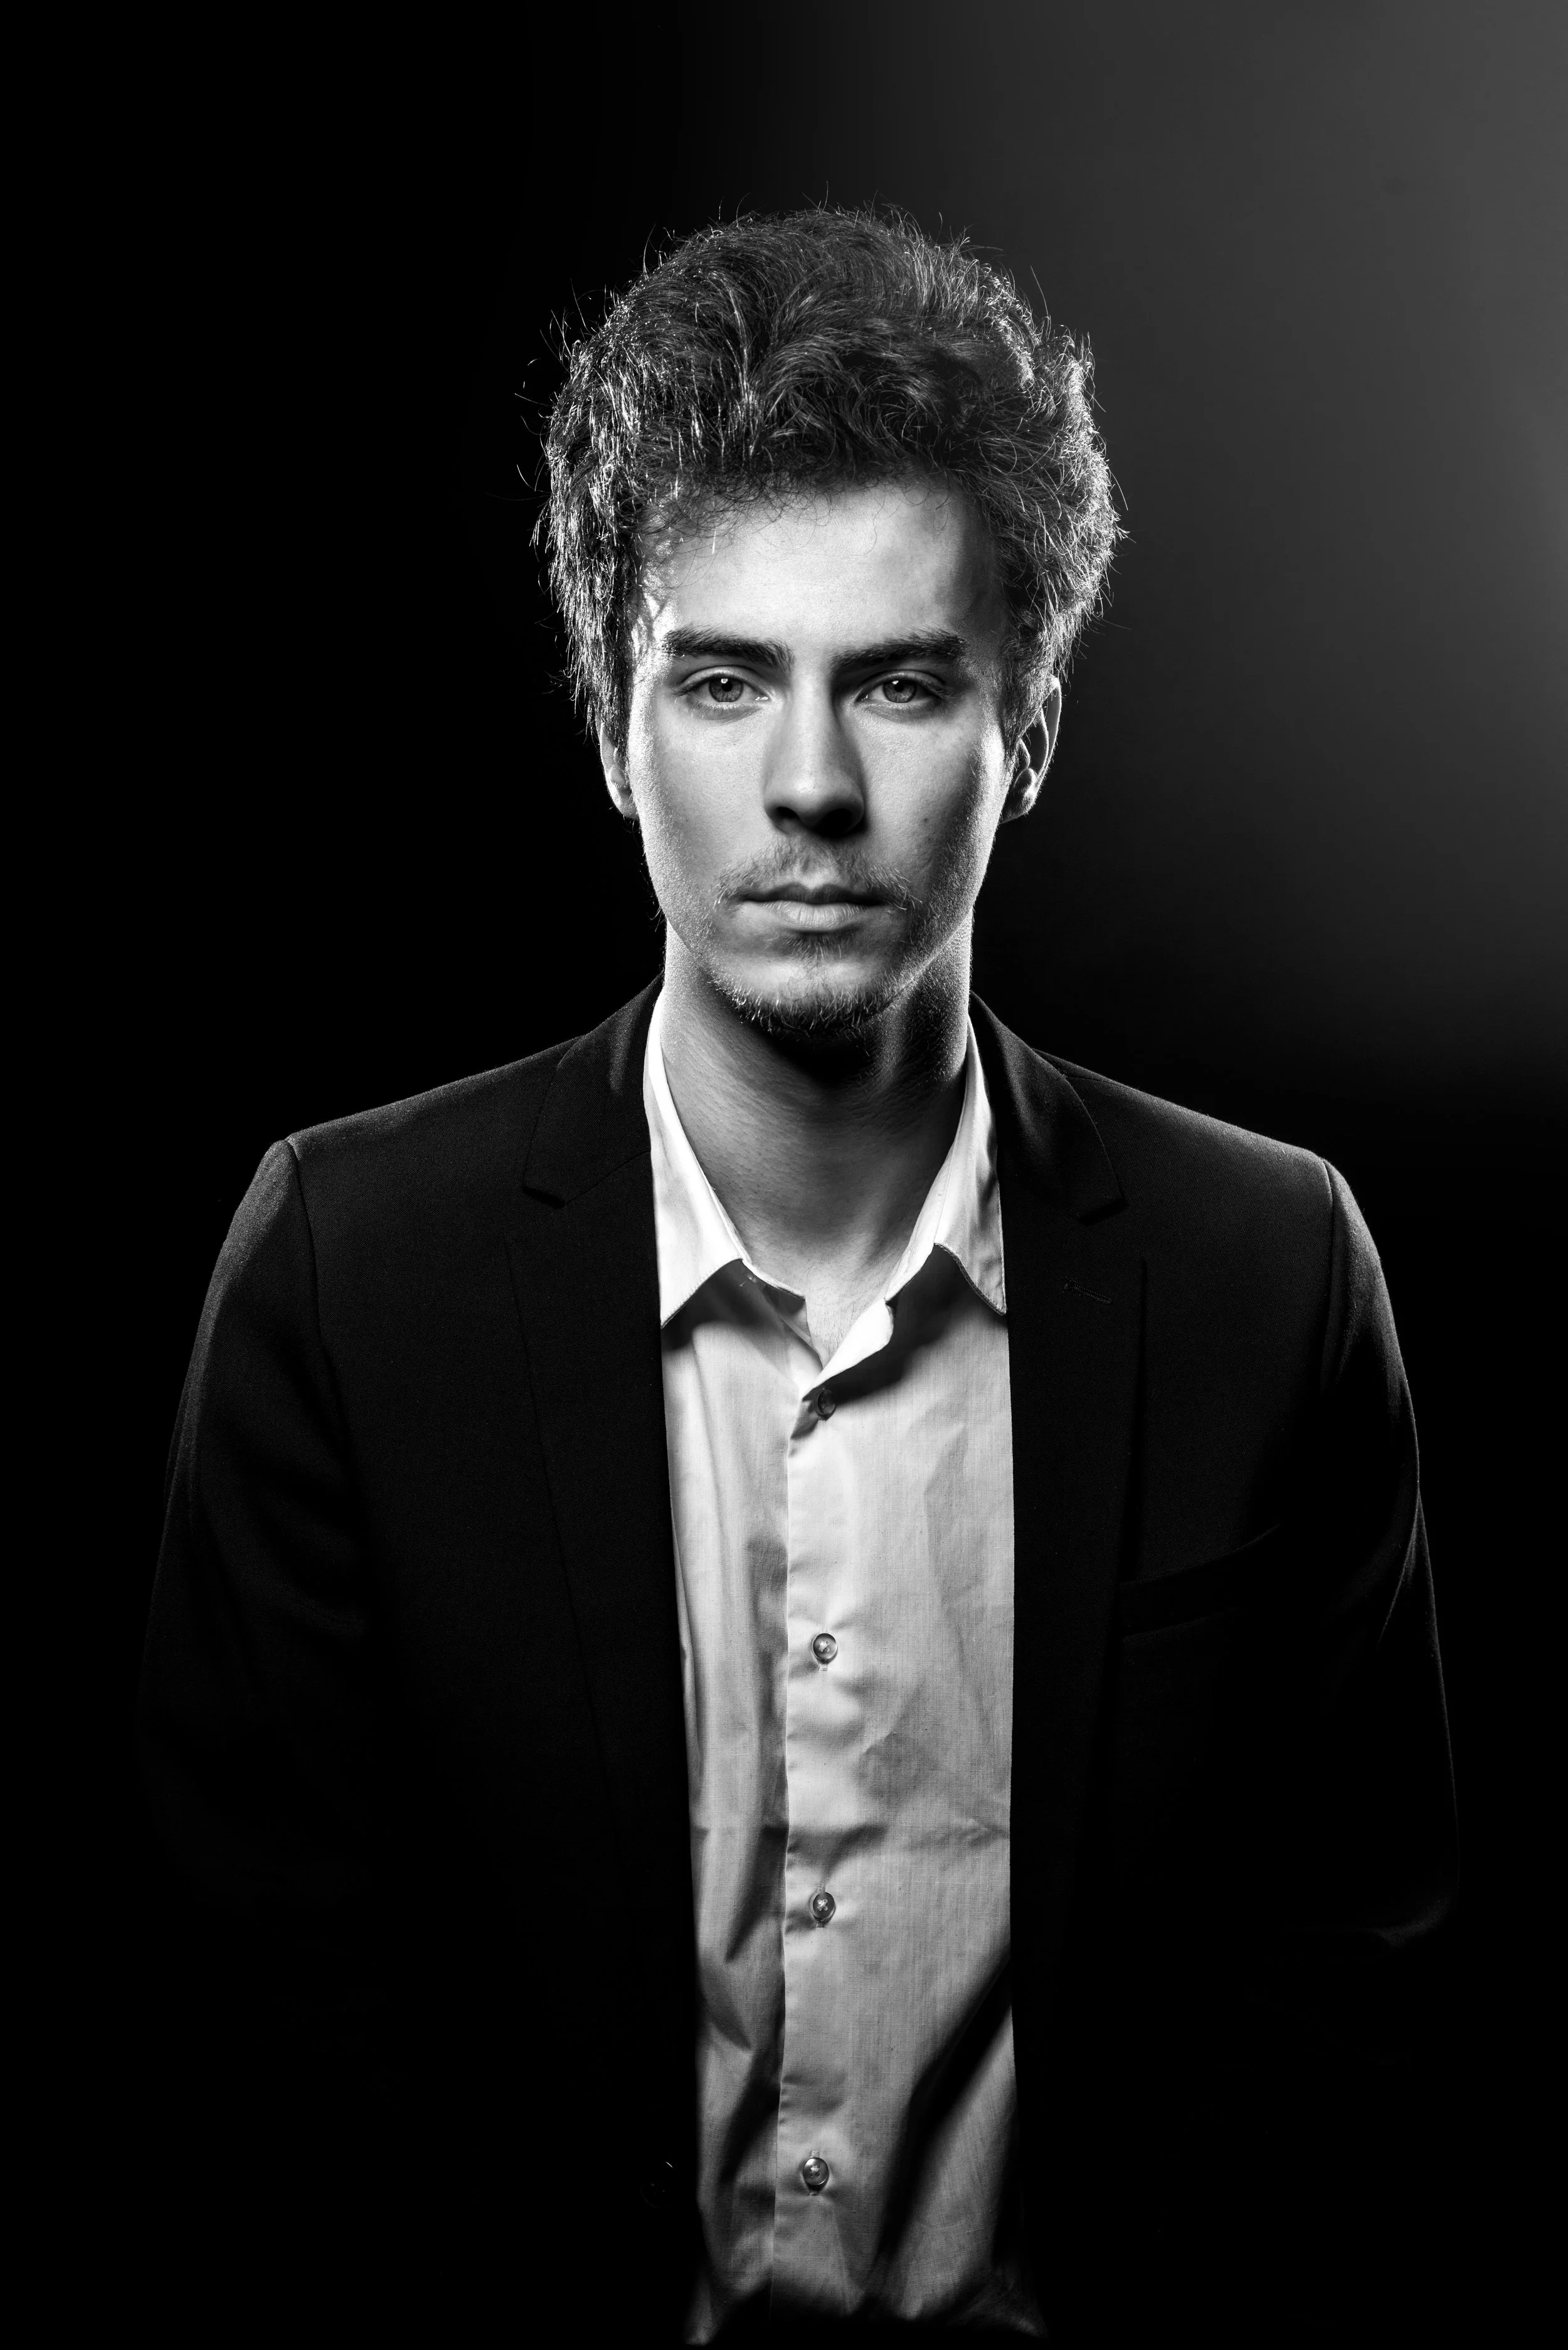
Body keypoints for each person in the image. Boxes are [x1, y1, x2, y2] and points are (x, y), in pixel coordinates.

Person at [139, 208, 1455, 2343]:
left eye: (904, 683)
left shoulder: (1265, 1277)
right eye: (724, 680)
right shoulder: (351, 1273)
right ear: (608, 728)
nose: (812, 786)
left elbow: (1351, 2039)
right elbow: (265, 2057)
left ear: (1021, 733)